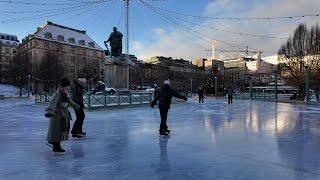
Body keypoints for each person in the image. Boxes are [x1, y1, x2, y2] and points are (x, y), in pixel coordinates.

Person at [45, 78, 80, 154]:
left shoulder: (65, 94)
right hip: (57, 116)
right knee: (56, 131)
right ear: (65, 86)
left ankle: (55, 144)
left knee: (61, 131)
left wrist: (76, 106)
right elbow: (53, 102)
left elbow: (69, 102)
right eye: (68, 86)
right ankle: (56, 147)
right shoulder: (59, 93)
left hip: (63, 116)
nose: (69, 87)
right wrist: (49, 111)